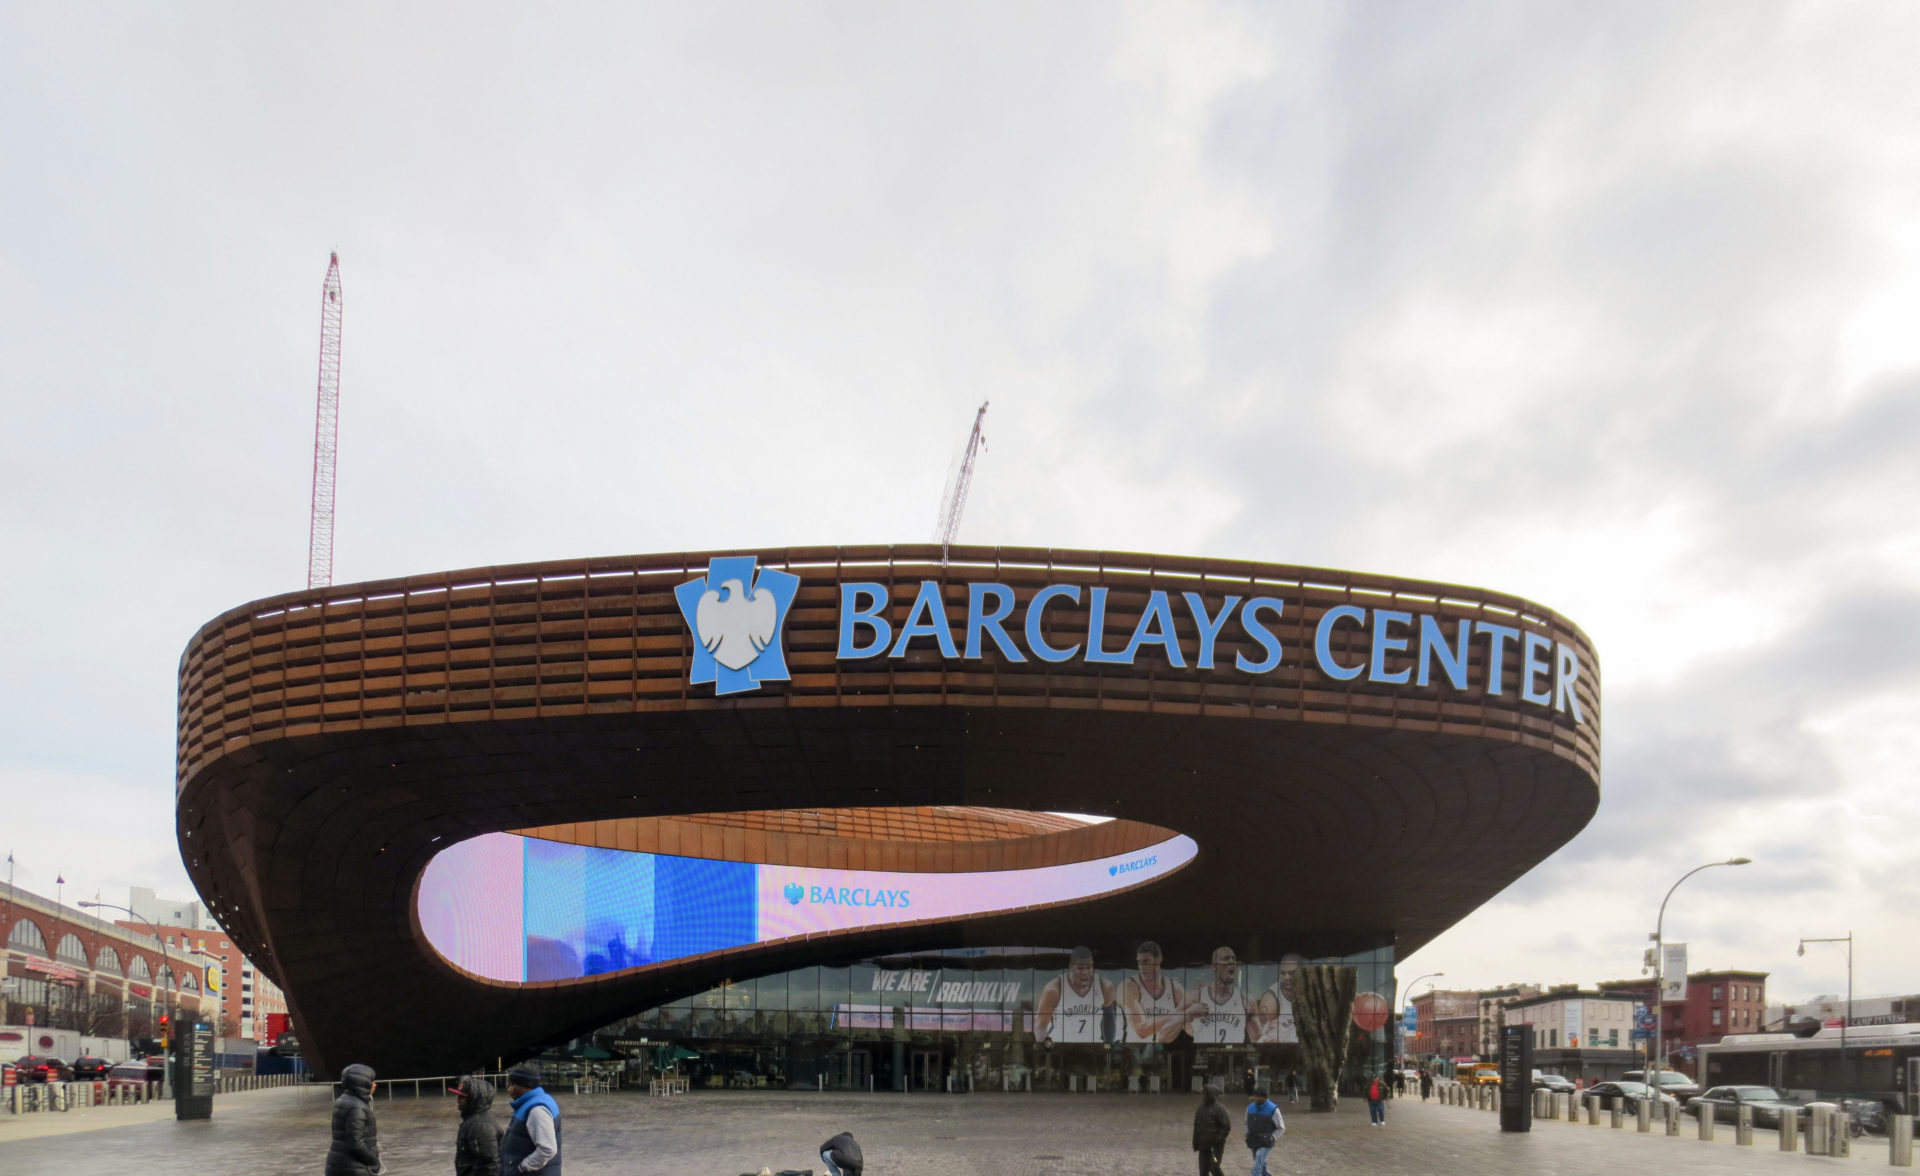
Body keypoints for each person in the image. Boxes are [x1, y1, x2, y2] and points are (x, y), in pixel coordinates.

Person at [1036, 946, 1115, 1043]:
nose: (1085, 972)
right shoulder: (1054, 989)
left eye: (1089, 967)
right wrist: (1047, 1050)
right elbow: (1041, 1026)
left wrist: (1109, 1047)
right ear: (1070, 967)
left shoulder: (1105, 986)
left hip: (1092, 1049)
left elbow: (1109, 1019)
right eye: (1080, 968)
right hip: (1060, 1048)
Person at [1121, 940, 1187, 1044]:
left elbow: (1189, 1027)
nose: (1142, 967)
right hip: (1136, 1050)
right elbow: (1142, 1030)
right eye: (1139, 962)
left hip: (1168, 1049)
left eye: (1146, 961)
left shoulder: (1176, 989)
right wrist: (1179, 1013)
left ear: (1158, 959)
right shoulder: (1129, 986)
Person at [500, 1066, 561, 1174]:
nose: (508, 1089)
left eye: (512, 1085)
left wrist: (521, 1168)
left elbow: (547, 1149)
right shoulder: (529, 1104)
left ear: (525, 1086)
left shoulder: (537, 1110)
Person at [326, 1063, 381, 1176]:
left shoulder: (342, 1100)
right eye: (371, 1082)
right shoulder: (358, 1107)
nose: (374, 1085)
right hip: (354, 1168)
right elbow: (355, 1143)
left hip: (339, 1164)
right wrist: (373, 1161)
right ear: (362, 1084)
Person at [1183, 946, 1246, 1043]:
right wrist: (1189, 1027)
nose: (1231, 961)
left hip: (1234, 1051)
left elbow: (1257, 1033)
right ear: (1214, 966)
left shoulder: (1245, 1000)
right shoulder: (1197, 995)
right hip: (1205, 1051)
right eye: (1226, 958)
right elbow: (1182, 1022)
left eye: (1234, 959)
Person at [1248, 954, 1303, 1044]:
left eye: (1291, 973)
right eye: (1283, 973)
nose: (1286, 977)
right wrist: (1265, 1041)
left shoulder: (1308, 991)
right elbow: (1254, 1027)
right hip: (1280, 1052)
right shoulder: (1272, 999)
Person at [452, 1076, 501, 1176]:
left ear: (473, 1099)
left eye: (462, 1097)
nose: (457, 1100)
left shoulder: (480, 1126)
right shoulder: (473, 1121)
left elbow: (489, 1166)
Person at [1244, 1086, 1285, 1176]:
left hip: (1266, 1142)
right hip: (1253, 1140)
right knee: (1259, 1163)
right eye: (1255, 1096)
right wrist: (1247, 1134)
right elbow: (1246, 1122)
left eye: (1258, 1097)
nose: (1255, 1098)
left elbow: (1281, 1127)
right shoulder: (1250, 1107)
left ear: (1265, 1097)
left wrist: (1272, 1137)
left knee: (1257, 1165)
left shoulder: (1273, 1109)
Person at [1192, 1084, 1231, 1176]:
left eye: (1207, 1094)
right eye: (1203, 1094)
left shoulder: (1220, 1109)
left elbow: (1226, 1127)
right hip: (1203, 1145)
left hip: (1215, 1147)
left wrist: (1217, 1139)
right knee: (1203, 1170)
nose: (1204, 1096)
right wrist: (1196, 1142)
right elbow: (1197, 1127)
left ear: (1213, 1095)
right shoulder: (1200, 1109)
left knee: (1214, 1167)